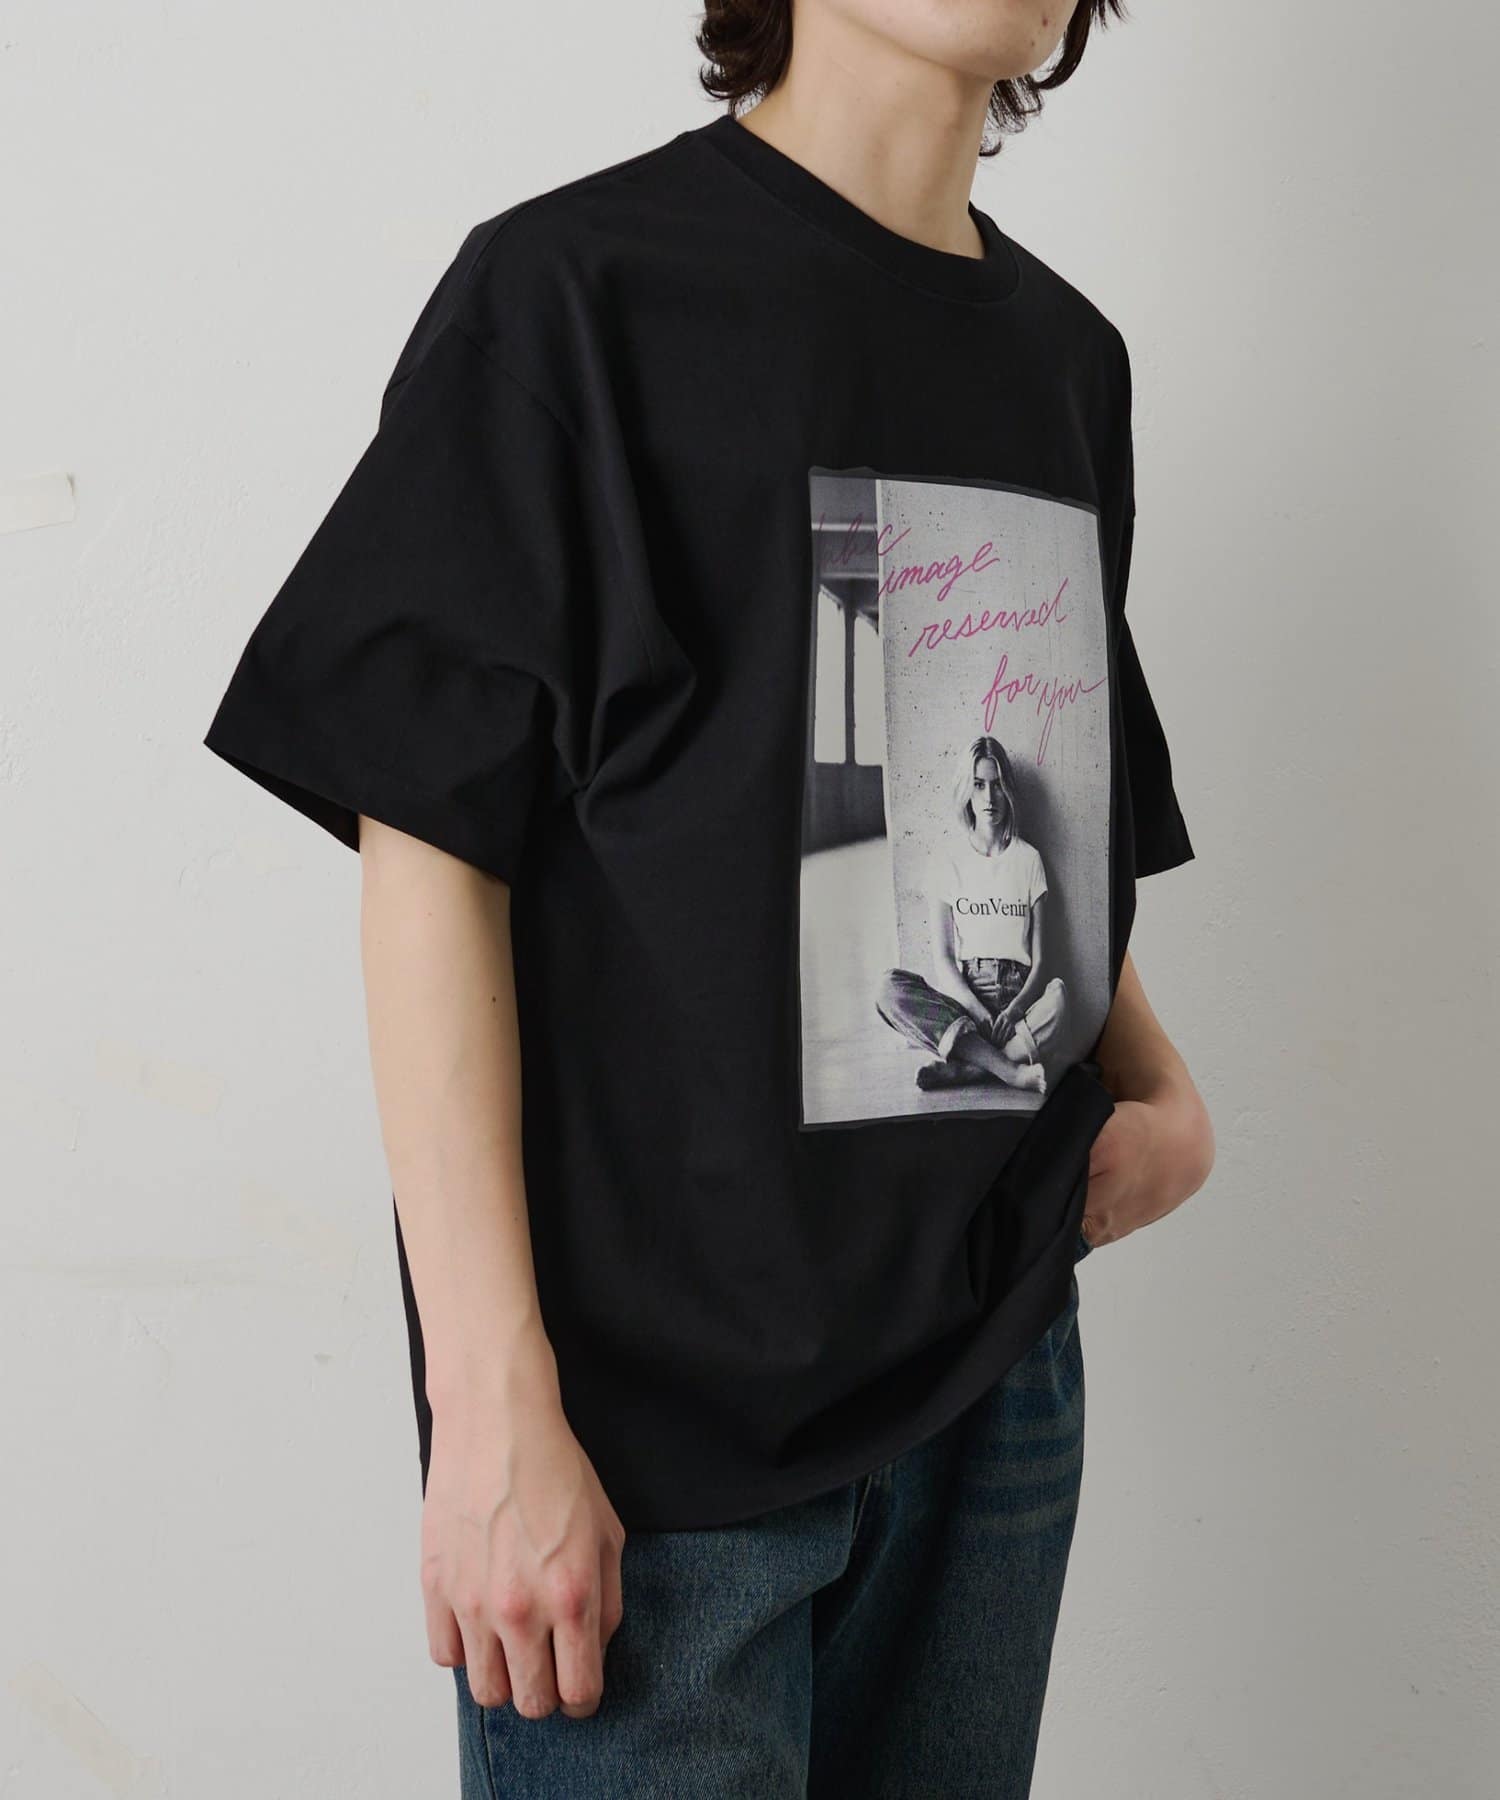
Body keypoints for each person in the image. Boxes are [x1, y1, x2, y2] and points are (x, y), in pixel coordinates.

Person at [203, 1, 1216, 1792]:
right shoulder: (578, 295)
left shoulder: (1069, 359)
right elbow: (428, 838)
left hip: (993, 1396)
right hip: (651, 1455)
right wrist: (488, 1408)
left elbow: (1029, 790)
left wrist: (1159, 1081)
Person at [878, 733, 1065, 1097]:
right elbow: (944, 958)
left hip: (1018, 999)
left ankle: (969, 1067)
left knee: (1060, 998)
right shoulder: (947, 859)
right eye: (979, 785)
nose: (989, 797)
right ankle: (1011, 1071)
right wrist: (976, 1010)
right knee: (888, 989)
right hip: (966, 1002)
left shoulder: (1029, 859)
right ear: (967, 790)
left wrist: (1016, 1009)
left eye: (997, 785)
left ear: (1008, 791)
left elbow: (1042, 961)